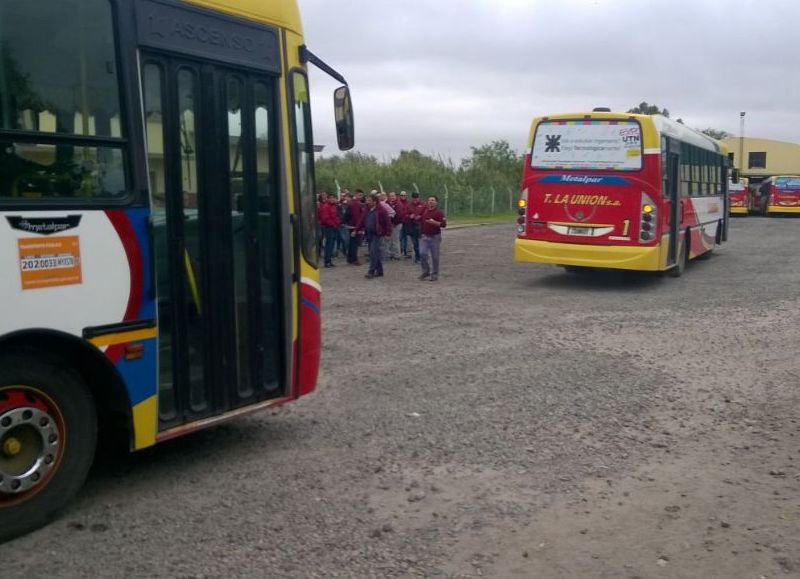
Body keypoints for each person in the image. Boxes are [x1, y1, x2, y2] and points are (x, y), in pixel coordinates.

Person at [356, 192, 391, 279]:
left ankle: (371, 271)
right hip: (369, 234)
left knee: (373, 253)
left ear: (374, 201)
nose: (367, 202)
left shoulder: (381, 210)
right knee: (375, 253)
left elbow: (388, 222)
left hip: (377, 234)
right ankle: (380, 271)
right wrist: (356, 229)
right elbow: (362, 220)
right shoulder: (367, 210)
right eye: (367, 200)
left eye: (369, 200)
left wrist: (388, 233)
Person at [418, 195, 446, 281]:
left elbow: (443, 225)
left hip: (435, 237)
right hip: (424, 236)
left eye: (433, 200)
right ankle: (426, 271)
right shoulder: (424, 211)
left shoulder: (439, 212)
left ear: (436, 202)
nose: (431, 202)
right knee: (422, 253)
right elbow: (421, 223)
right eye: (429, 200)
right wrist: (421, 233)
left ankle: (434, 274)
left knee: (435, 256)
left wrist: (434, 222)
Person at [318, 192, 341, 268]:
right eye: (331, 198)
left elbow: (336, 216)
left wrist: (338, 223)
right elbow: (325, 218)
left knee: (331, 245)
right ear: (328, 198)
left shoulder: (333, 206)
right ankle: (327, 261)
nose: (332, 199)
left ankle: (329, 261)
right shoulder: (326, 207)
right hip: (329, 228)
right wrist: (333, 224)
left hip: (334, 227)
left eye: (334, 198)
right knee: (329, 245)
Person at [344, 190, 364, 265]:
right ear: (356, 195)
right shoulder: (355, 204)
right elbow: (356, 217)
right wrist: (358, 228)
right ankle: (354, 259)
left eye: (361, 195)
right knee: (354, 243)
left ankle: (350, 258)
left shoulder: (352, 203)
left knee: (352, 243)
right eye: (359, 195)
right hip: (354, 226)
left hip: (351, 225)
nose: (361, 197)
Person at [406, 191, 424, 263]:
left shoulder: (423, 205)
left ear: (419, 198)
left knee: (421, 243)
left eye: (416, 199)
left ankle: (421, 257)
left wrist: (420, 216)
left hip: (420, 226)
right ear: (412, 198)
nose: (415, 200)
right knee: (415, 243)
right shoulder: (409, 205)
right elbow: (405, 214)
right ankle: (417, 257)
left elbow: (426, 214)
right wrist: (410, 216)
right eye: (414, 199)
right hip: (411, 226)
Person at [386, 191, 404, 260]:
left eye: (393, 196)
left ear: (395, 196)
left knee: (395, 240)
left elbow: (399, 215)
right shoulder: (388, 203)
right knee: (390, 240)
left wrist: (394, 223)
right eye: (390, 196)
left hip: (397, 224)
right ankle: (391, 253)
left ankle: (397, 254)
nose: (392, 197)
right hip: (390, 224)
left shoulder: (398, 204)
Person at [398, 191, 411, 257]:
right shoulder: (398, 203)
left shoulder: (408, 203)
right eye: (401, 195)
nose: (403, 196)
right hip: (400, 222)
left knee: (406, 237)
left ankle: (406, 251)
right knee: (400, 237)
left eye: (404, 195)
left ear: (406, 196)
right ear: (400, 196)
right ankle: (400, 250)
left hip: (407, 222)